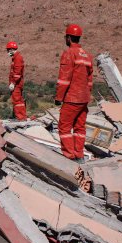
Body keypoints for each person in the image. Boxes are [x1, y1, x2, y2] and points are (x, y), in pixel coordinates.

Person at [55, 24, 93, 162]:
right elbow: (89, 80)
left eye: (66, 37)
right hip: (84, 98)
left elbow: (64, 79)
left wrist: (59, 97)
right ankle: (79, 155)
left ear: (69, 38)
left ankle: (69, 157)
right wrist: (87, 94)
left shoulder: (69, 53)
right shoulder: (87, 55)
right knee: (79, 127)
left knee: (64, 127)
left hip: (72, 98)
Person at [6, 41, 27, 120]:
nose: (7, 52)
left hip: (16, 84)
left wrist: (13, 83)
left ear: (11, 49)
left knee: (17, 101)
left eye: (8, 50)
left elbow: (17, 73)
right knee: (18, 101)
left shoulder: (17, 58)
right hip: (17, 84)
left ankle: (21, 117)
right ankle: (21, 117)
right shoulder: (15, 58)